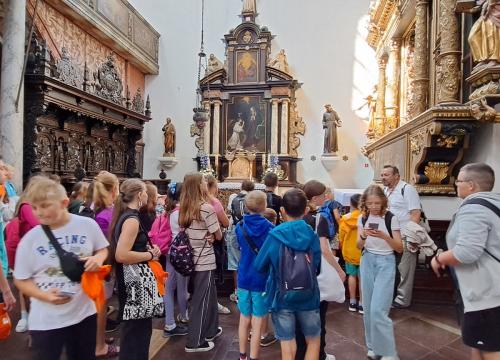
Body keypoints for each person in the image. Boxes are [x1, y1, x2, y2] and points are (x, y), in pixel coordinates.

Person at [13, 176, 109, 360]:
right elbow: (21, 279)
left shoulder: (87, 225)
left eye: (45, 205)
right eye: (34, 207)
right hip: (46, 321)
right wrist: (45, 296)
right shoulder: (30, 240)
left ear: (64, 202)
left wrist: (98, 258)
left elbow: (102, 248)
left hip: (84, 314)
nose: (39, 213)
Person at [430, 163, 500, 360]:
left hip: (486, 295)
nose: (455, 185)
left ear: (471, 185)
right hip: (489, 292)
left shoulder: (474, 209)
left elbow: (467, 252)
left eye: (458, 181)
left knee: (490, 350)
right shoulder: (493, 203)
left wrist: (439, 258)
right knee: (477, 346)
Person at [255, 188, 322, 360]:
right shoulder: (312, 234)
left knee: (287, 344)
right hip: (309, 294)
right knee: (313, 340)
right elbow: (317, 266)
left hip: (282, 295)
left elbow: (259, 265)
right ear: (306, 210)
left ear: (282, 211)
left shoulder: (275, 235)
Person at [110, 179, 164, 360]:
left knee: (136, 330)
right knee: (137, 332)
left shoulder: (126, 215)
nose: (148, 196)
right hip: (134, 281)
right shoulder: (132, 220)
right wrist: (149, 256)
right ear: (140, 195)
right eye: (146, 193)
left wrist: (147, 250)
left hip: (132, 279)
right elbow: (122, 255)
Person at [298, 180, 345, 360]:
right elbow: (325, 250)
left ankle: (301, 353)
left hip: (297, 273)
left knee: (300, 318)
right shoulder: (319, 219)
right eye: (324, 195)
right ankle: (320, 354)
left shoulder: (297, 217)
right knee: (318, 317)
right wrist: (339, 270)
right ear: (316, 198)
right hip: (316, 272)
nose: (327, 197)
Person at [357, 185, 403, 360]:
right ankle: (373, 347)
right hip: (367, 260)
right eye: (370, 203)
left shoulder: (391, 218)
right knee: (368, 308)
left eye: (377, 202)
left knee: (379, 310)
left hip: (386, 262)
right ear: (365, 203)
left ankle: (389, 352)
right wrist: (364, 236)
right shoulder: (362, 218)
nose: (374, 206)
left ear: (383, 201)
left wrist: (384, 236)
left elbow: (399, 248)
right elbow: (358, 246)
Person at [180, 173, 223, 353]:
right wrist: (213, 235)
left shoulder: (184, 206)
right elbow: (219, 234)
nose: (207, 183)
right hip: (203, 259)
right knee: (200, 300)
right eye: (204, 181)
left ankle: (211, 329)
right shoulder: (206, 208)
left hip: (191, 257)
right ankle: (195, 341)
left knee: (210, 296)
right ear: (199, 186)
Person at [235, 190, 275, 360]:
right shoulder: (270, 228)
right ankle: (253, 357)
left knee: (244, 317)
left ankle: (242, 356)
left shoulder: (239, 226)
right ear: (264, 206)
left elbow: (240, 246)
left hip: (244, 275)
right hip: (261, 277)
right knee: (258, 319)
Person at [381, 165, 421, 308]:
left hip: (405, 235)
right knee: (391, 267)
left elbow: (415, 214)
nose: (383, 177)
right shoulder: (386, 190)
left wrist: (411, 236)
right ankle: (391, 296)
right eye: (382, 175)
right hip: (390, 236)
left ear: (396, 176)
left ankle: (402, 300)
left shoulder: (407, 189)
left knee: (405, 269)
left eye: (386, 175)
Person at [5, 180, 40, 333]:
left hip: (33, 249)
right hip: (27, 250)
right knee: (26, 284)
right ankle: (25, 316)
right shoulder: (26, 206)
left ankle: (30, 318)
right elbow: (38, 224)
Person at [93, 171, 120, 357]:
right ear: (114, 190)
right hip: (105, 265)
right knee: (101, 307)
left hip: (103, 263)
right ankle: (99, 345)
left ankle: (99, 337)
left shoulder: (99, 208)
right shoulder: (107, 213)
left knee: (101, 304)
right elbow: (107, 242)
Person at [162, 182, 190, 337]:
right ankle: (184, 315)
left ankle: (169, 321)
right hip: (181, 253)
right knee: (182, 287)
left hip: (169, 252)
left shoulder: (168, 211)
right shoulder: (182, 212)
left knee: (168, 288)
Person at [205, 175, 231, 315]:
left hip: (199, 241)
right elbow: (226, 223)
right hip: (213, 240)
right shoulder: (213, 202)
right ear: (213, 187)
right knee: (211, 274)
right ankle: (213, 303)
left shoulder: (196, 200)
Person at [227, 180, 255, 303]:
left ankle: (238, 292)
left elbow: (230, 211)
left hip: (236, 230)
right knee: (249, 260)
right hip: (249, 231)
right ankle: (250, 291)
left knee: (235, 262)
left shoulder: (234, 197)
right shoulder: (253, 199)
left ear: (241, 187)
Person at [339, 194, 363, 313]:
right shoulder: (365, 217)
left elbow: (341, 236)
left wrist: (342, 246)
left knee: (352, 276)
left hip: (349, 250)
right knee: (362, 277)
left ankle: (352, 301)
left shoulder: (345, 218)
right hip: (363, 250)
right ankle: (362, 303)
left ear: (351, 204)